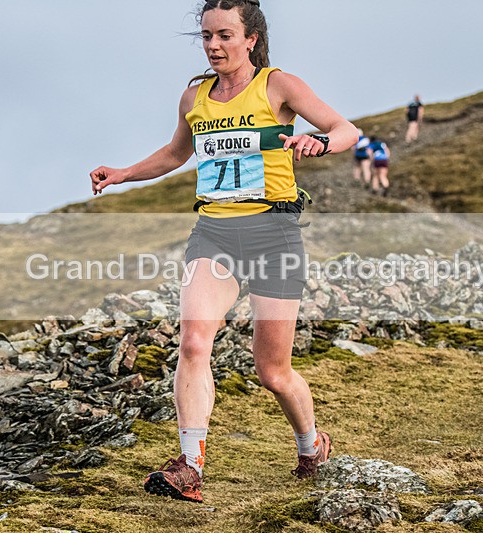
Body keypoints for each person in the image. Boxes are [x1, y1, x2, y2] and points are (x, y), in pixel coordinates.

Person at [89, 0, 358, 503]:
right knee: (193, 343)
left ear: (250, 38)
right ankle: (190, 467)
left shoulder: (279, 85)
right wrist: (124, 173)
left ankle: (311, 444)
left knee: (271, 371)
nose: (214, 45)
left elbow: (348, 130)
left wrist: (319, 143)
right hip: (213, 233)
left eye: (225, 36)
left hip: (273, 234)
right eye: (207, 36)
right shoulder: (195, 96)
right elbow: (175, 152)